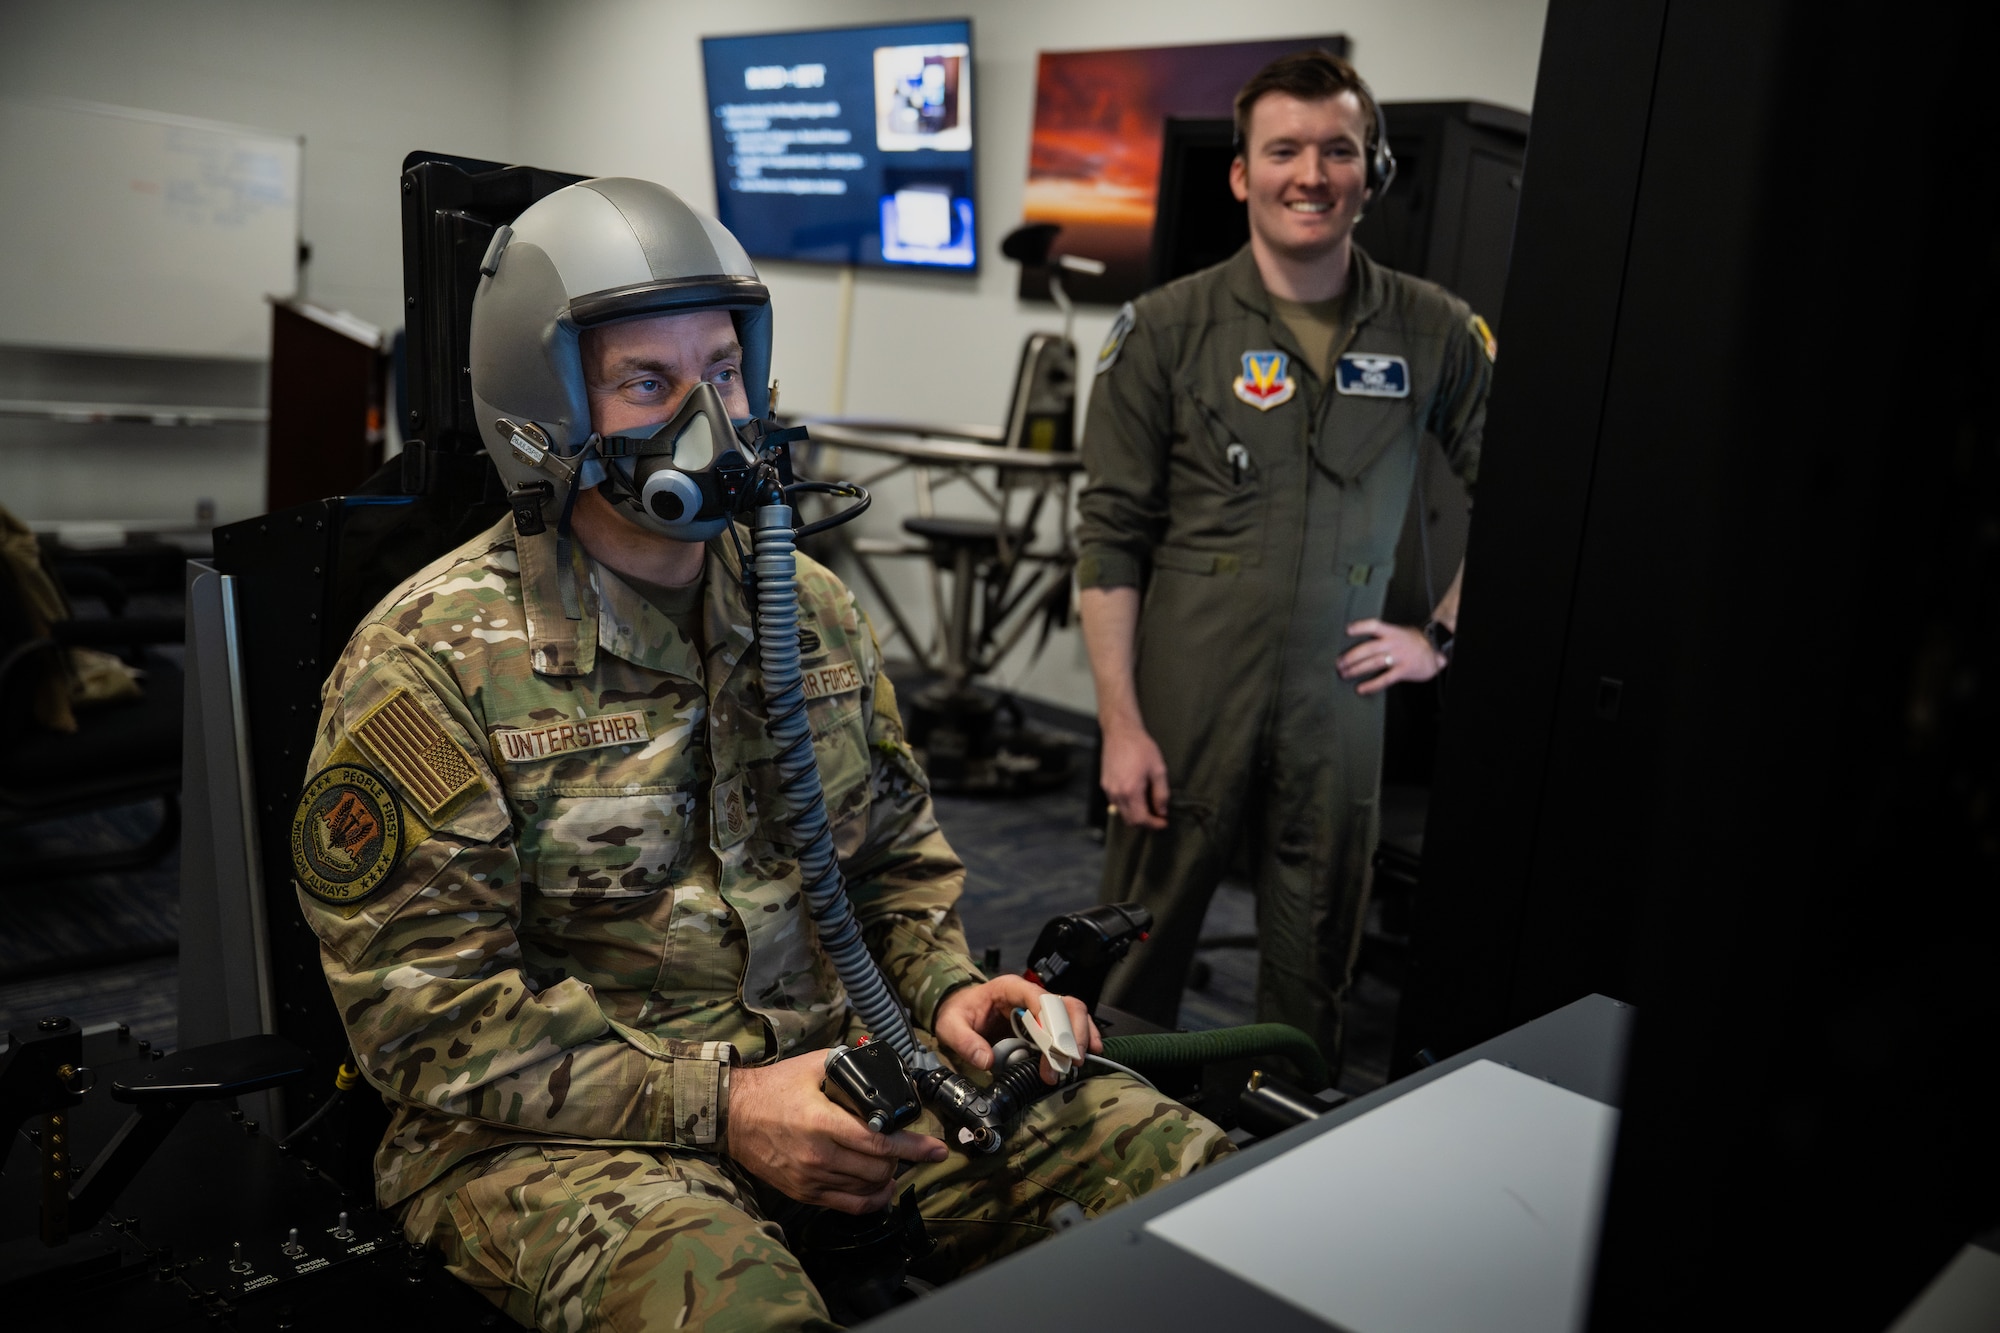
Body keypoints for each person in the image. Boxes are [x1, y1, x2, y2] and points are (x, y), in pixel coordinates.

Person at [290, 177, 1229, 1332]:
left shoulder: (812, 614)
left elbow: (891, 870)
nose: (713, 419)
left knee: (1191, 1182)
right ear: (546, 414)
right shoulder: (425, 663)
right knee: (735, 1306)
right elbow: (426, 1028)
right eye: (649, 383)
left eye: (723, 371)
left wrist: (944, 994)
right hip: (553, 1139)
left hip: (836, 1079)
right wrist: (725, 1107)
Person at [1078, 50, 1494, 1067]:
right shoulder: (1164, 331)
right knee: (1134, 954)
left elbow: (1525, 491)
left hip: (1338, 695)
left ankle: (1281, 1161)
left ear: (1371, 170)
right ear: (1241, 174)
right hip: (1185, 693)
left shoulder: (1434, 330)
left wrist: (1437, 637)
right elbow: (1109, 536)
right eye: (1283, 150)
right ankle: (1117, 1159)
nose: (1310, 173)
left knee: (1316, 963)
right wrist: (1119, 724)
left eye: (1336, 149)